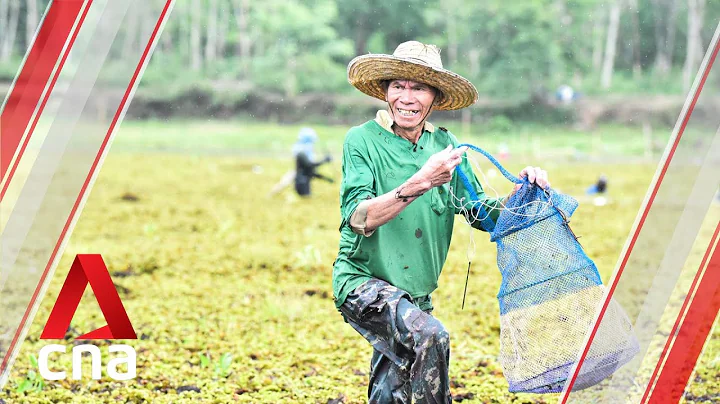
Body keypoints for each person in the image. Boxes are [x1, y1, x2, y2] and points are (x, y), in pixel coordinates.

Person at [332, 40, 551, 403]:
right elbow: (359, 217)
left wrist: (522, 193)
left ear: (434, 97)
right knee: (430, 337)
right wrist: (422, 181)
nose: (407, 97)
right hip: (362, 283)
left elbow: (481, 214)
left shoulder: (447, 148)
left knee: (393, 391)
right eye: (398, 86)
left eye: (418, 87)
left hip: (416, 296)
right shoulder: (361, 141)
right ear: (385, 91)